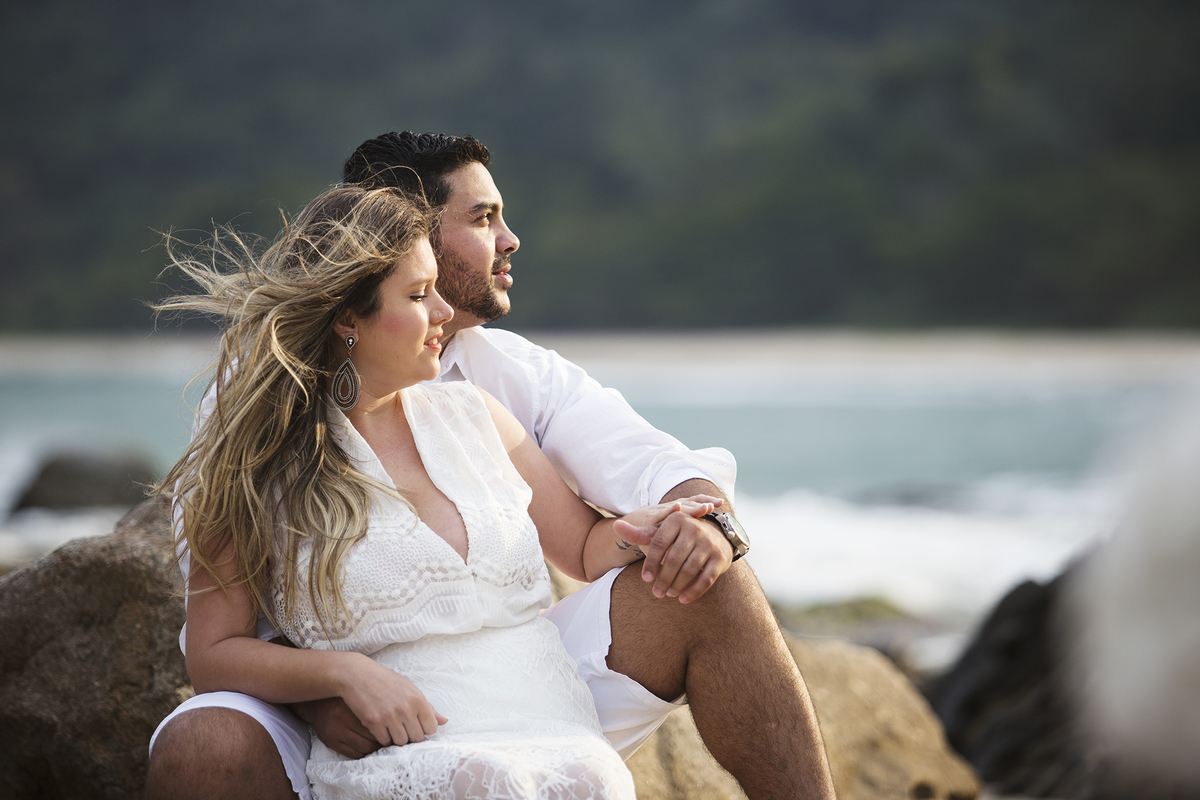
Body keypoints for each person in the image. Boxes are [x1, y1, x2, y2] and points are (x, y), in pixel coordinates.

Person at [146, 133, 836, 800]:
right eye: (483, 218)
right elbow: (221, 638)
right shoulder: (257, 415)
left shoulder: (494, 387)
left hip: (526, 680)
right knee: (205, 742)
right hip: (343, 698)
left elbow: (634, 481)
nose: (509, 240)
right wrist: (329, 689)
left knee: (712, 578)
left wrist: (694, 520)